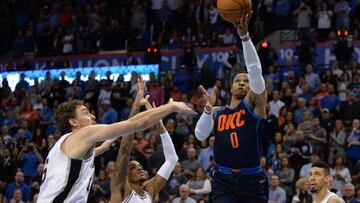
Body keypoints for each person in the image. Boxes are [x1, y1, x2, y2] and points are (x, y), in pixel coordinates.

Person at [37, 78, 195, 202]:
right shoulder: (82, 134)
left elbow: (100, 148)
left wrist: (134, 108)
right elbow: (137, 124)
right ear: (73, 122)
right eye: (85, 112)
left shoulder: (63, 147)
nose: (92, 116)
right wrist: (171, 108)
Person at [195, 13, 268, 202]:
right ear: (231, 86)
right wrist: (207, 110)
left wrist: (244, 37)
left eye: (246, 81)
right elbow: (200, 136)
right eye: (238, 80)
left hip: (251, 179)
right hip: (223, 179)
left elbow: (255, 70)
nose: (243, 83)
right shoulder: (218, 111)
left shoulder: (254, 104)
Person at [110, 97, 180, 202]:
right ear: (126, 174)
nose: (139, 168)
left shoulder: (149, 191)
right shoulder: (121, 189)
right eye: (133, 167)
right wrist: (136, 107)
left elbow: (172, 160)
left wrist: (160, 126)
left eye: (140, 166)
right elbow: (125, 150)